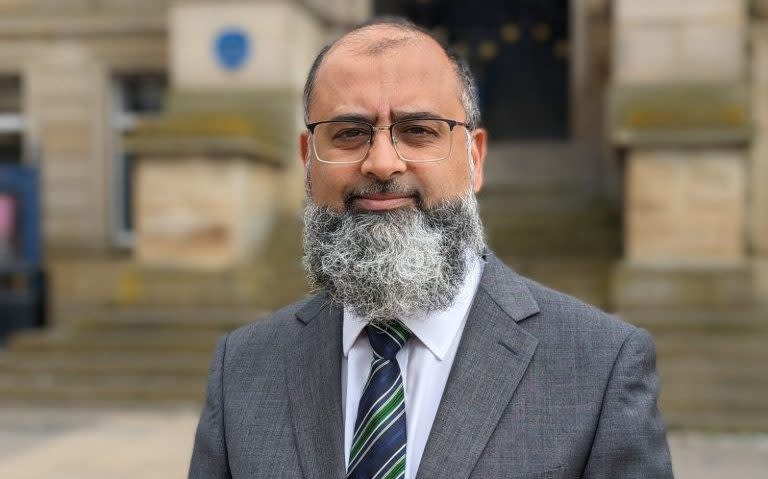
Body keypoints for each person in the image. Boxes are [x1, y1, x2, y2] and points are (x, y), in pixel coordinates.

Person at [189, 18, 673, 479]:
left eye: (418, 130)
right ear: (308, 161)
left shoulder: (600, 366)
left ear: (475, 158)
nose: (381, 163)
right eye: (349, 133)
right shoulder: (244, 367)